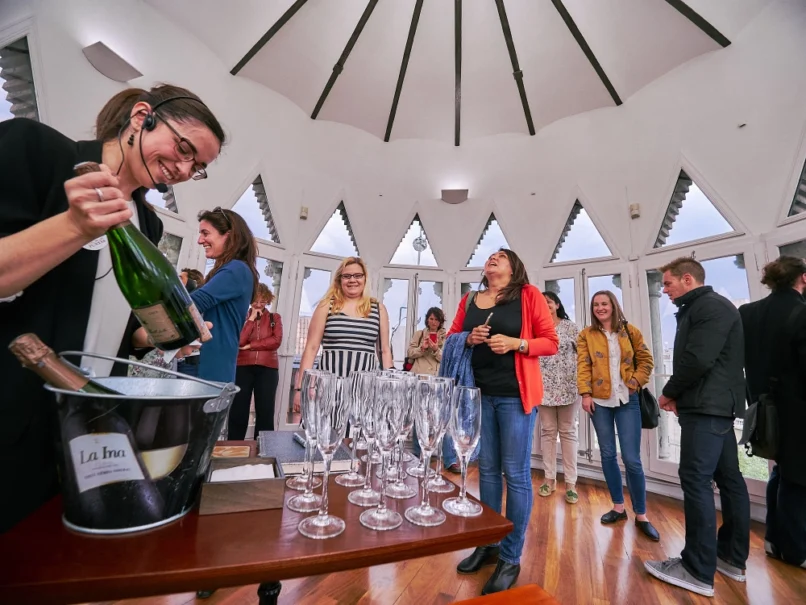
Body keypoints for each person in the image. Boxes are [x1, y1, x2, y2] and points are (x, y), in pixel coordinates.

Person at [0, 84, 225, 533]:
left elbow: (117, 330)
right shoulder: (36, 151)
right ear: (142, 116)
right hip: (13, 416)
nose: (183, 169)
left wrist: (165, 336)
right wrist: (74, 226)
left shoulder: (148, 223)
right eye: (184, 149)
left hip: (89, 428)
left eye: (197, 166)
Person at [448, 249, 559, 595]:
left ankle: (510, 557)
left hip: (514, 396)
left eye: (500, 256)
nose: (492, 259)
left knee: (516, 474)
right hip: (477, 396)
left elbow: (550, 342)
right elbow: (451, 337)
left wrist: (517, 343)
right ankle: (489, 543)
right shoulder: (469, 299)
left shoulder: (528, 295)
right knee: (487, 471)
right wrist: (468, 338)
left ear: (514, 267)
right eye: (490, 257)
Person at [645, 257, 750, 598]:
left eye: (668, 283)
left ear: (687, 279)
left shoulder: (708, 307)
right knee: (729, 480)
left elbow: (697, 360)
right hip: (714, 406)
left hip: (707, 409)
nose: (665, 290)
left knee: (696, 480)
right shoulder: (708, 307)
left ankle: (696, 568)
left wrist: (669, 393)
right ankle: (730, 558)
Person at [739, 256, 806, 568]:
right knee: (798, 478)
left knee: (780, 471)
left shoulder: (748, 313)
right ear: (802, 278)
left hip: (761, 408)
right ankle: (796, 550)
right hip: (797, 410)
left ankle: (774, 539)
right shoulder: (802, 313)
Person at [577, 291, 658, 540]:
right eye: (596, 304)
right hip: (599, 402)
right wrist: (585, 394)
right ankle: (618, 507)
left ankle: (641, 514)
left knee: (632, 459)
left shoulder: (630, 331)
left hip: (627, 401)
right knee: (608, 454)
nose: (600, 308)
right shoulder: (586, 335)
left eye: (604, 303)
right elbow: (583, 365)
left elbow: (646, 360)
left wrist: (634, 382)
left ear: (613, 305)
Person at [294, 256, 393, 412]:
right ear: (339, 280)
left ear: (365, 278)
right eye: (347, 276)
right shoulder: (326, 306)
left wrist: (391, 389)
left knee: (359, 427)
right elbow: (311, 348)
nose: (352, 280)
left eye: (357, 275)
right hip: (327, 388)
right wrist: (300, 388)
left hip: (364, 391)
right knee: (325, 427)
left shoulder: (378, 309)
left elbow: (385, 351)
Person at [187, 208, 258, 384]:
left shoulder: (237, 269)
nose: (200, 240)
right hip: (213, 366)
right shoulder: (233, 270)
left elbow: (192, 303)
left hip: (211, 369)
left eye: (205, 233)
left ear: (229, 236)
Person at [538, 291, 581, 504]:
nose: (546, 305)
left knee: (568, 432)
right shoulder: (535, 329)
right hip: (543, 388)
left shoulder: (570, 327)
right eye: (542, 302)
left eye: (549, 302)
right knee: (547, 432)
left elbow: (583, 356)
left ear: (556, 304)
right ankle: (549, 479)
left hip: (568, 387)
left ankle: (571, 483)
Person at [229, 283, 283, 439]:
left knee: (265, 411)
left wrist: (250, 346)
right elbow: (239, 341)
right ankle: (235, 447)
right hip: (242, 367)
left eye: (263, 301)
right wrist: (251, 319)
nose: (259, 305)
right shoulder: (242, 317)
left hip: (268, 369)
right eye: (255, 301)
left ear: (268, 300)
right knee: (238, 410)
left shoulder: (275, 317)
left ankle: (264, 447)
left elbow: (276, 341)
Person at [407, 307, 447, 460]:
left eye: (436, 319)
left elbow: (446, 358)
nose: (433, 322)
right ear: (427, 319)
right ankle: (418, 452)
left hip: (436, 381)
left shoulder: (446, 337)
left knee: (435, 416)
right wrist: (421, 348)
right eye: (431, 319)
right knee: (419, 415)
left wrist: (436, 349)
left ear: (440, 321)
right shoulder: (419, 334)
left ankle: (432, 449)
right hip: (420, 379)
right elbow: (410, 353)